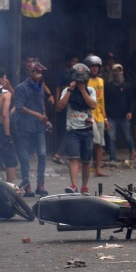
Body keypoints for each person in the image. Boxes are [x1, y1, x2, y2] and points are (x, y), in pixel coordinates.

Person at [58, 64, 97, 195]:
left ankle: (84, 187)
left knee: (86, 160)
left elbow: (92, 105)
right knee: (73, 158)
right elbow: (60, 106)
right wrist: (70, 90)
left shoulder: (90, 90)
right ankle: (74, 185)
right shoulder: (67, 91)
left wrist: (82, 90)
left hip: (87, 129)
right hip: (73, 130)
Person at [15, 62, 50, 197]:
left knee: (42, 154)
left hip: (39, 126)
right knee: (24, 158)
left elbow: (41, 105)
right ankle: (26, 185)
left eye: (40, 72)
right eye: (37, 72)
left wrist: (45, 119)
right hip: (24, 126)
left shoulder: (41, 87)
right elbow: (20, 107)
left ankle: (40, 184)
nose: (39, 75)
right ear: (30, 72)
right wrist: (37, 115)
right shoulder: (21, 87)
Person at [84, 56, 110, 177]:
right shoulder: (84, 81)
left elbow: (102, 100)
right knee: (93, 142)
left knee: (100, 144)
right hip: (89, 115)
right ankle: (85, 164)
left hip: (100, 115)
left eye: (96, 66)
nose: (94, 69)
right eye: (92, 66)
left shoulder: (101, 81)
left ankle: (97, 169)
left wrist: (105, 118)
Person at [104, 64, 136, 162]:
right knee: (111, 138)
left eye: (119, 70)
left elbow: (132, 100)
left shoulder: (127, 85)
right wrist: (105, 116)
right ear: (112, 73)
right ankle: (112, 158)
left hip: (124, 116)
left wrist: (130, 111)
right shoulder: (108, 86)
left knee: (127, 136)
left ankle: (132, 150)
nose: (117, 73)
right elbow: (104, 101)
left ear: (122, 72)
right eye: (115, 71)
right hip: (111, 117)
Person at [53, 53, 79, 165]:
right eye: (73, 61)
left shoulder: (77, 74)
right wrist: (57, 102)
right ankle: (59, 153)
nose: (75, 64)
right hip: (64, 103)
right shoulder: (62, 74)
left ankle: (65, 153)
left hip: (74, 104)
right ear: (68, 62)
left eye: (76, 61)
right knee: (65, 129)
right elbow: (58, 88)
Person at [0, 68, 18, 183]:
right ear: (0, 80)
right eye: (5, 78)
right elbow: (4, 114)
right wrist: (7, 135)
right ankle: (10, 188)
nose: (6, 80)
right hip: (0, 128)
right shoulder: (5, 94)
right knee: (10, 160)